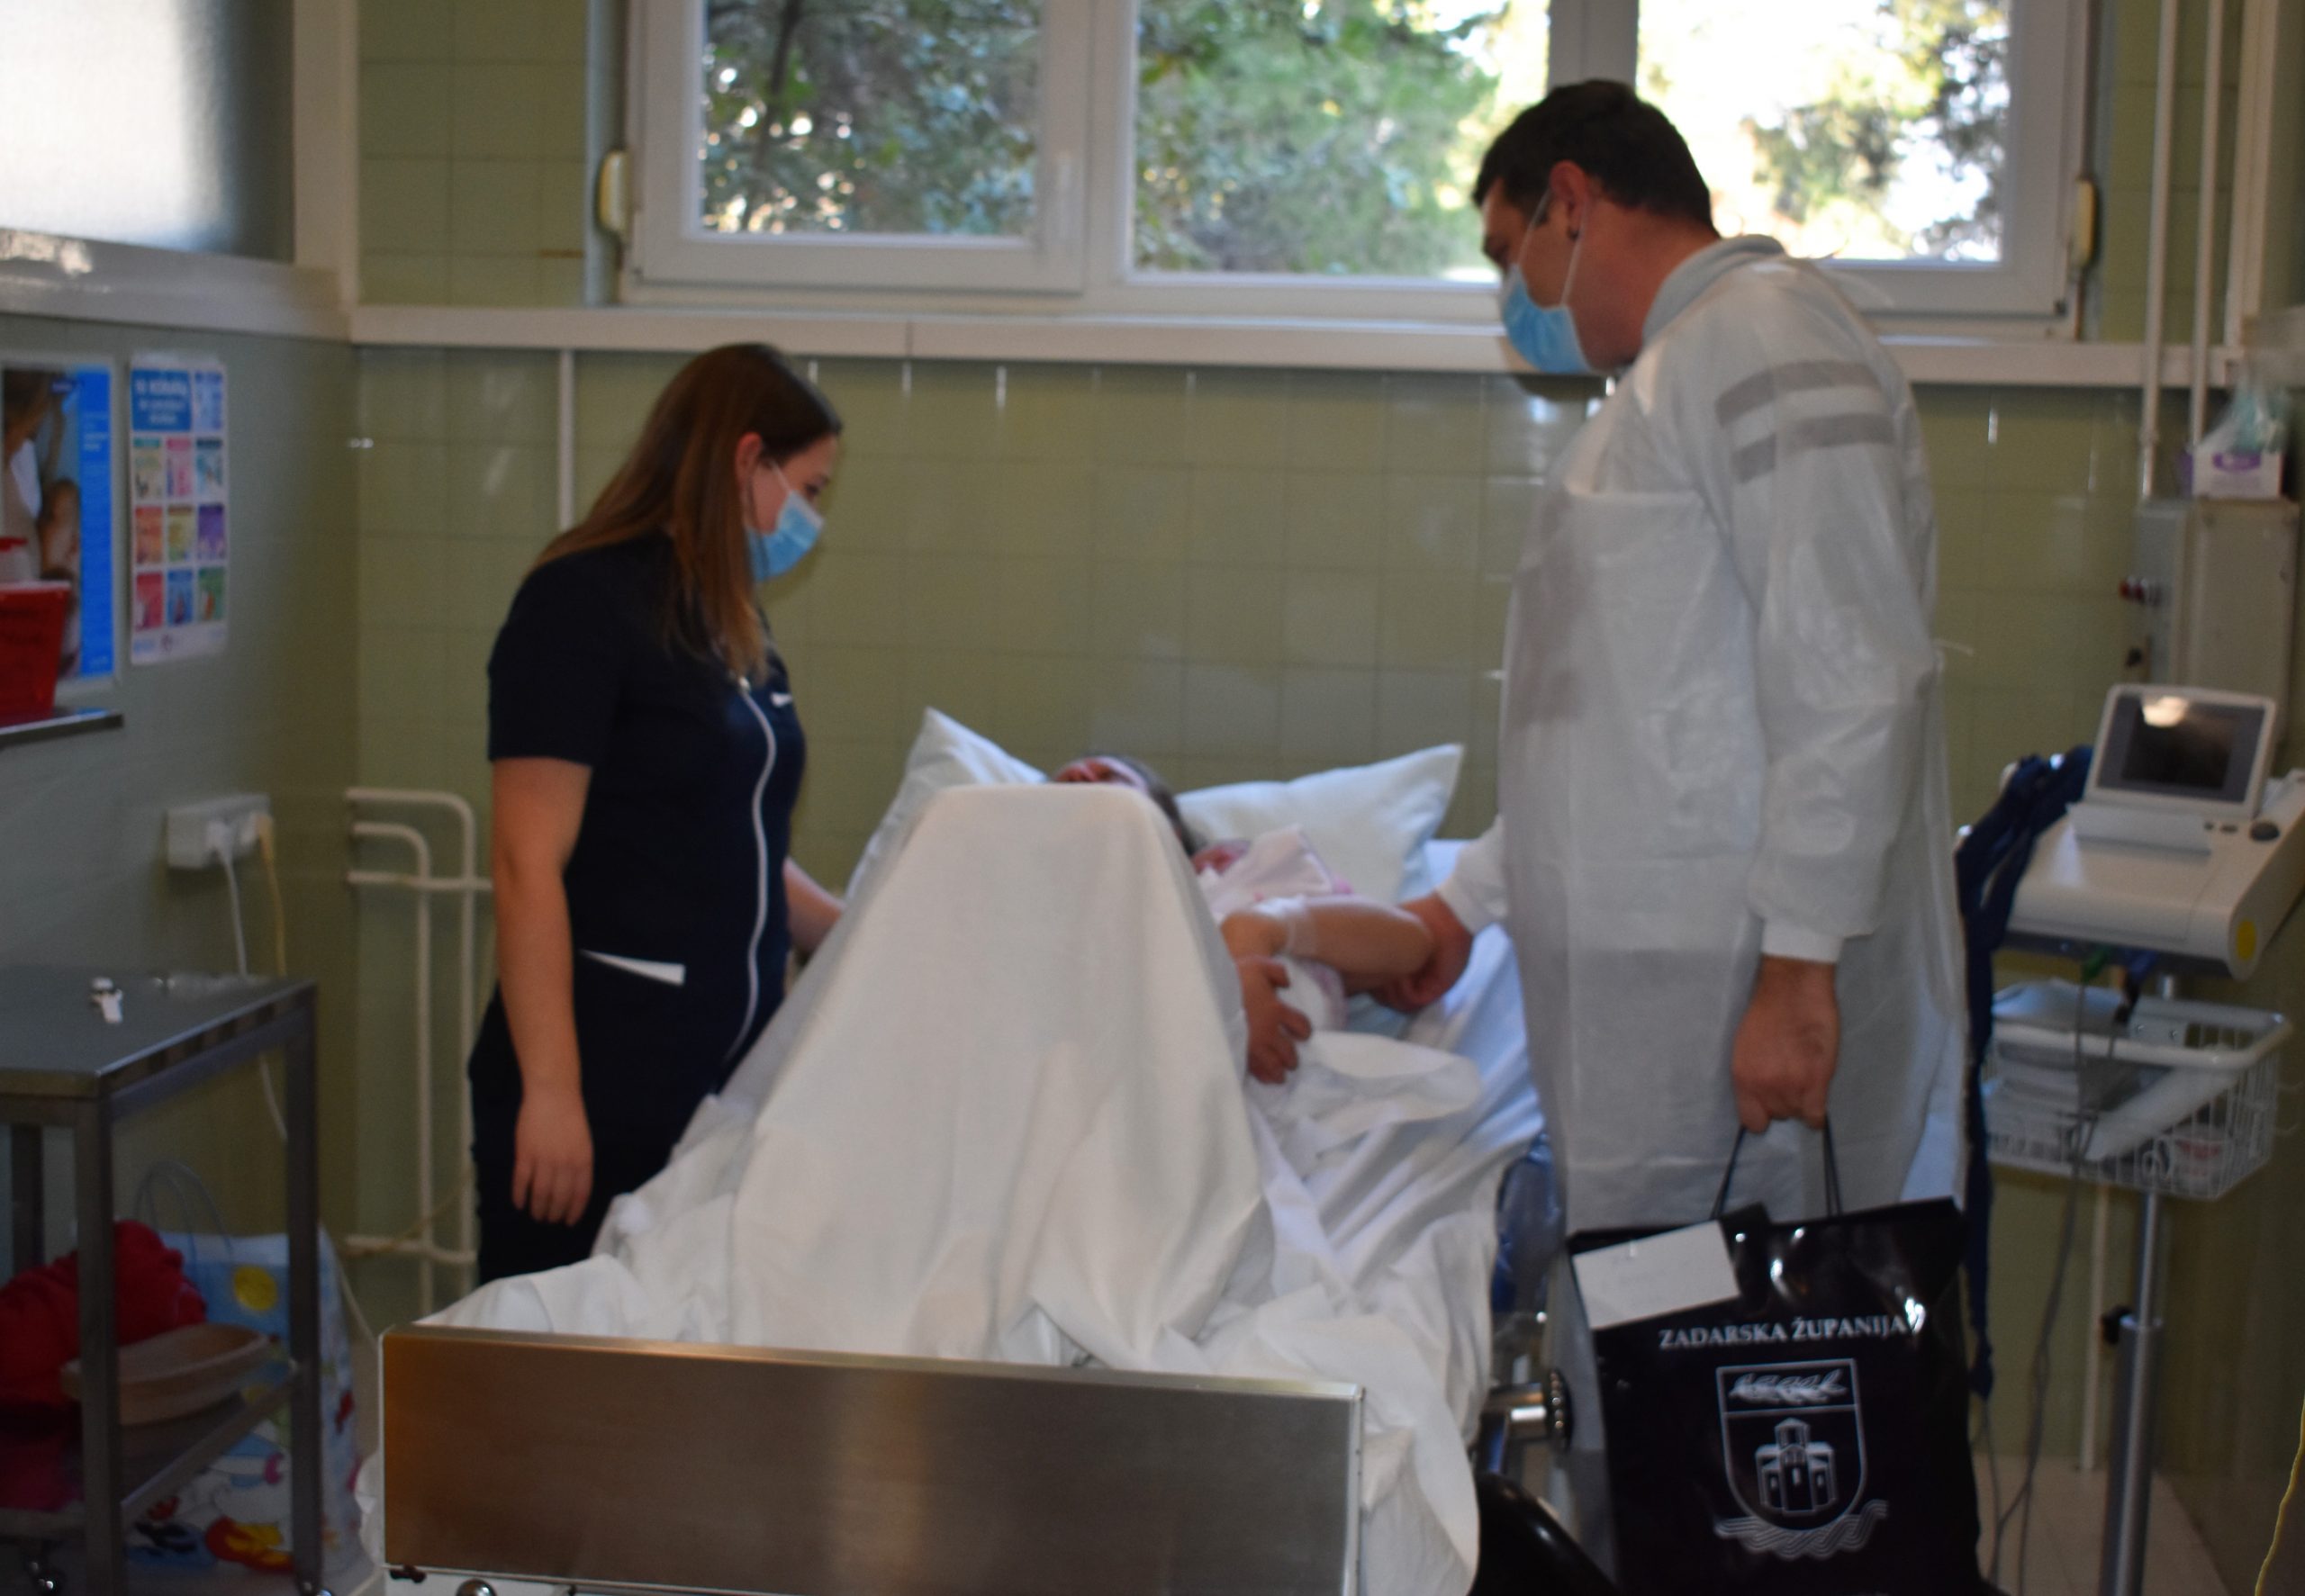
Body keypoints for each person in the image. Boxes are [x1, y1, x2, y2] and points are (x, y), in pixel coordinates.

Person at [1384, 81, 1964, 1283]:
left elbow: (1851, 669)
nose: (1512, 294)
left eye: (1507, 250)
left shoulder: (1765, 334)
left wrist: (1798, 971)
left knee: (1759, 1361)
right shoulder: (1673, 376)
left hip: (1741, 996)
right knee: (1669, 1346)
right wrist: (1462, 906)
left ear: (1572, 201)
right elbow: (1614, 736)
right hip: (1675, 1005)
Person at [469, 343, 848, 1282]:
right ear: (747, 459)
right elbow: (524, 862)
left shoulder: (729, 618)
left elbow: (734, 837)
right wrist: (553, 1093)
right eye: (808, 489)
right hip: (604, 1082)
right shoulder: (581, 603)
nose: (812, 518)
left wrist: (863, 937)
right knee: (563, 1348)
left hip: (720, 1087)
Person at [1052, 754, 1431, 1082]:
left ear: (1172, 830)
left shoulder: (1233, 879)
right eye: (1066, 789)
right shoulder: (1048, 927)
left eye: (1109, 779)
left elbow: (1411, 944)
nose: (1083, 778)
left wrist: (1261, 929)